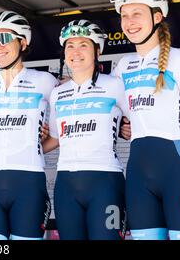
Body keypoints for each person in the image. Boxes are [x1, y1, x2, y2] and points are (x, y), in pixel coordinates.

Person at [110, 0, 180, 240]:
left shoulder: (179, 60)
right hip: (138, 174)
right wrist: (124, 125)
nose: (129, 22)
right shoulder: (123, 67)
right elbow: (120, 114)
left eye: (137, 14)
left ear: (157, 17)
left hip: (179, 170)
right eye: (124, 15)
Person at [0, 11, 57, 240]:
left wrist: (36, 145)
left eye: (5, 38)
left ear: (23, 41)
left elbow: (63, 127)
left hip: (28, 181)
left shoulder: (44, 81)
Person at [42, 19, 128, 240]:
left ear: (97, 50)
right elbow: (55, 139)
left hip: (105, 181)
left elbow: (141, 123)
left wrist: (124, 128)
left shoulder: (115, 85)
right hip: (66, 185)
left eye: (83, 45)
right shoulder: (57, 93)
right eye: (70, 45)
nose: (76, 52)